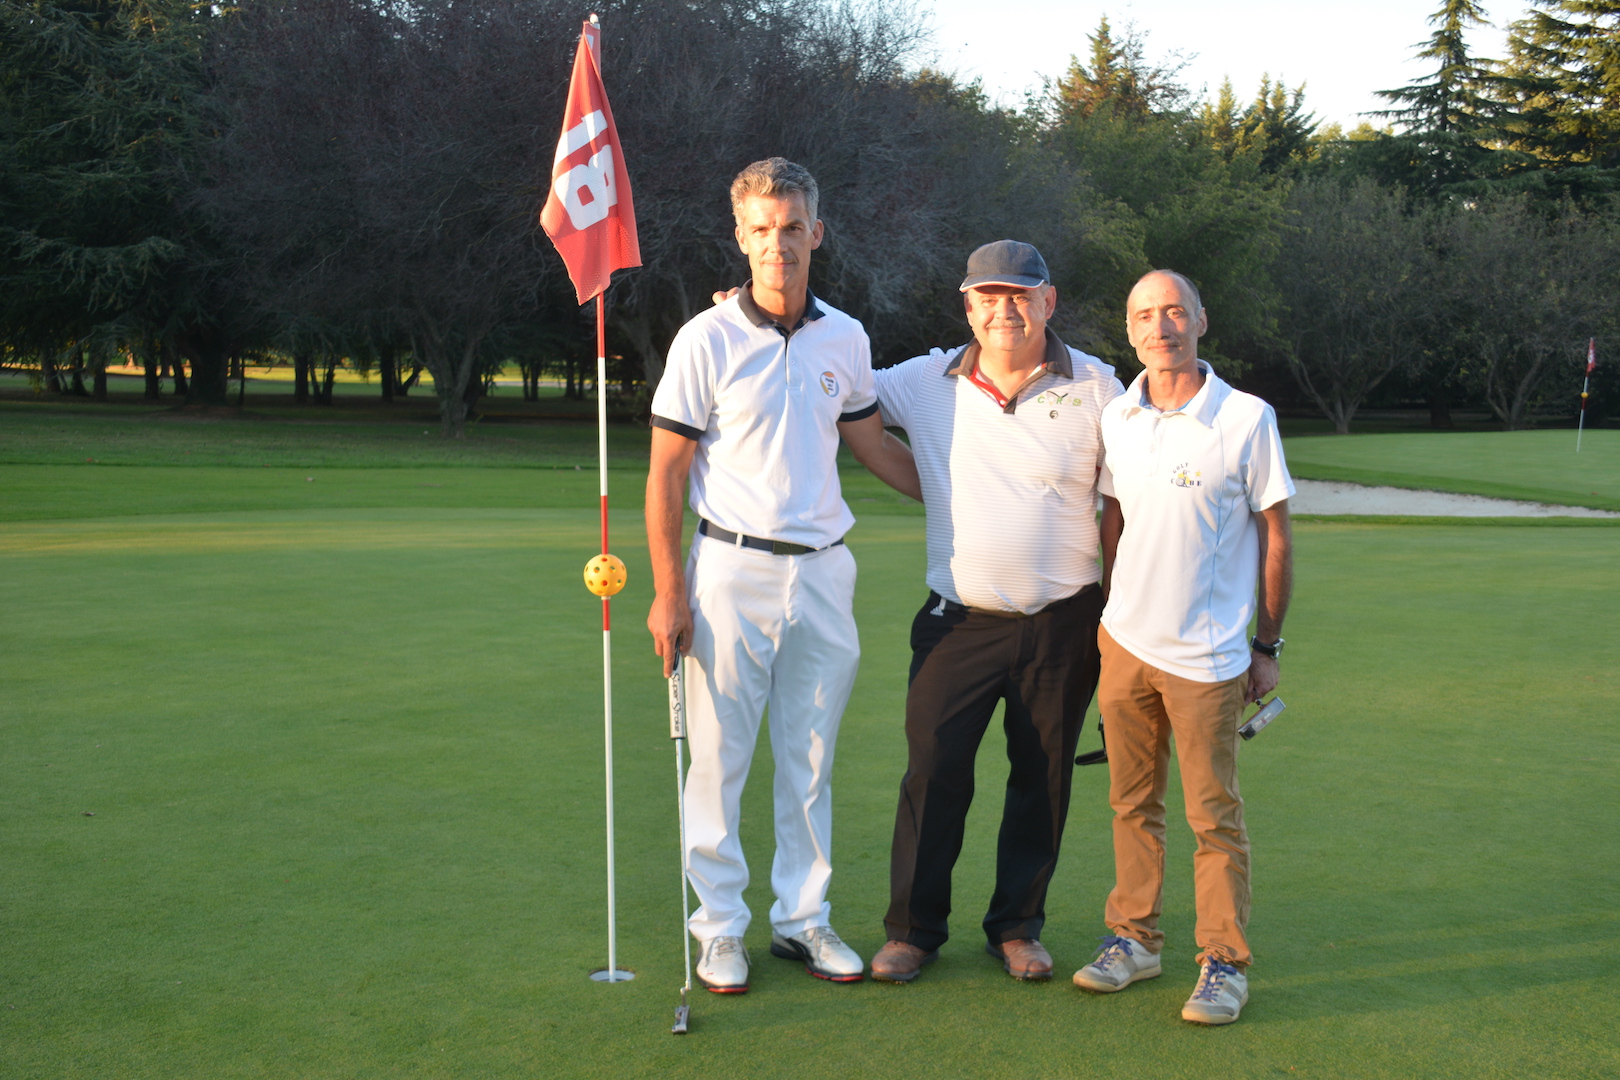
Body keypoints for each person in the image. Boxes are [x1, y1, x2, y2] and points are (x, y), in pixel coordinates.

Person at [645, 158, 921, 993]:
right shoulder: (707, 338)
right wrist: (667, 589)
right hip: (728, 569)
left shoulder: (846, 336)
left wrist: (966, 498)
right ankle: (720, 929)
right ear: (741, 237)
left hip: (825, 574)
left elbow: (873, 446)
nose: (778, 244)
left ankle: (802, 921)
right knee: (719, 759)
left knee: (811, 757)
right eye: (762, 230)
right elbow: (665, 472)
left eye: (792, 227)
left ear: (816, 233)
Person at [864, 240, 1125, 984]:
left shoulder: (1100, 388)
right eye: (988, 296)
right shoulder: (922, 380)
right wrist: (744, 326)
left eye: (1020, 295)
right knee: (933, 774)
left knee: (1040, 778)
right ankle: (913, 930)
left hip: (1064, 622)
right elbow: (836, 395)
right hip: (958, 622)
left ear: (1049, 301)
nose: (1003, 310)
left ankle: (1016, 927)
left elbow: (1122, 505)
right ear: (967, 305)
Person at [1071, 269, 1294, 1026]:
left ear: (1201, 319)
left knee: (1212, 816)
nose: (1160, 326)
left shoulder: (1247, 418)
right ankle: (1135, 939)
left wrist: (1267, 644)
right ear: (1129, 330)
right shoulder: (1118, 416)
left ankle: (1224, 961)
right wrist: (1107, 616)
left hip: (1207, 659)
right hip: (1125, 644)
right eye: (1144, 315)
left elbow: (1276, 537)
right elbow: (1114, 519)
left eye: (1174, 312)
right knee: (1131, 803)